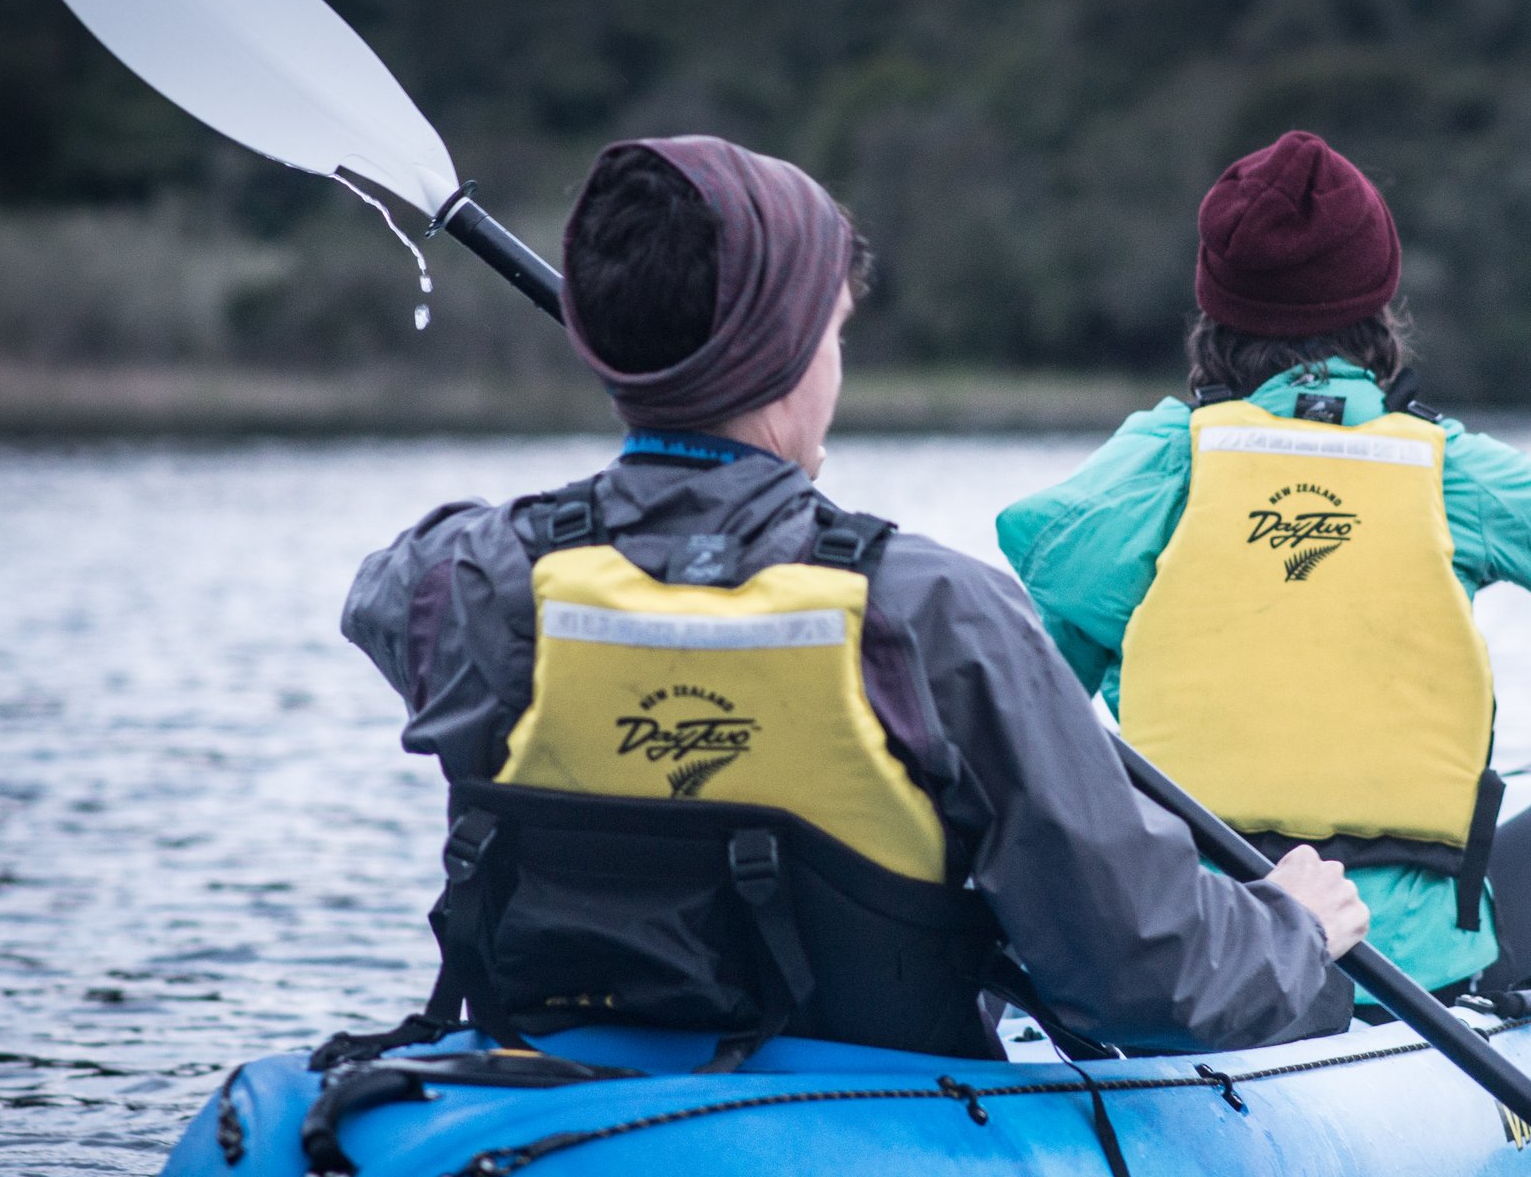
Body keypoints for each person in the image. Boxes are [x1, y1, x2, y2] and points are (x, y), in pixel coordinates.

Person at [340, 135, 1366, 1066]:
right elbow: (1143, 978)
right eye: (831, 334)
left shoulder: (471, 576)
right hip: (866, 1125)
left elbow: (382, 602)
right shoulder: (932, 612)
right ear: (784, 356)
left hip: (555, 1092)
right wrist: (1290, 927)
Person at [997, 131, 1531, 1007]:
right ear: (1378, 314)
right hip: (1412, 967)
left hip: (1200, 956)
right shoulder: (1447, 470)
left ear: (1216, 318)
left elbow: (1027, 711)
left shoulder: (1148, 475)